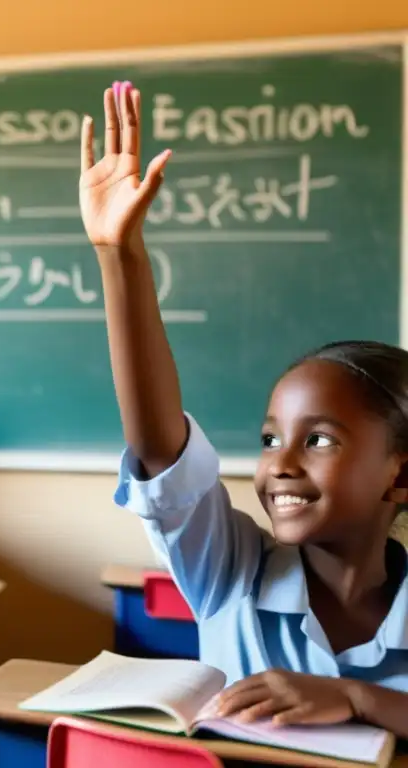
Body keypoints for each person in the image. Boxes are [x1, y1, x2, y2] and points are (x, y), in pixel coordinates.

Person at [82, 80, 408, 735]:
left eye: (318, 441)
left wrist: (359, 698)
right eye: (268, 440)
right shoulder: (230, 570)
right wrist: (120, 255)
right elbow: (158, 448)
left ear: (400, 474)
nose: (280, 464)